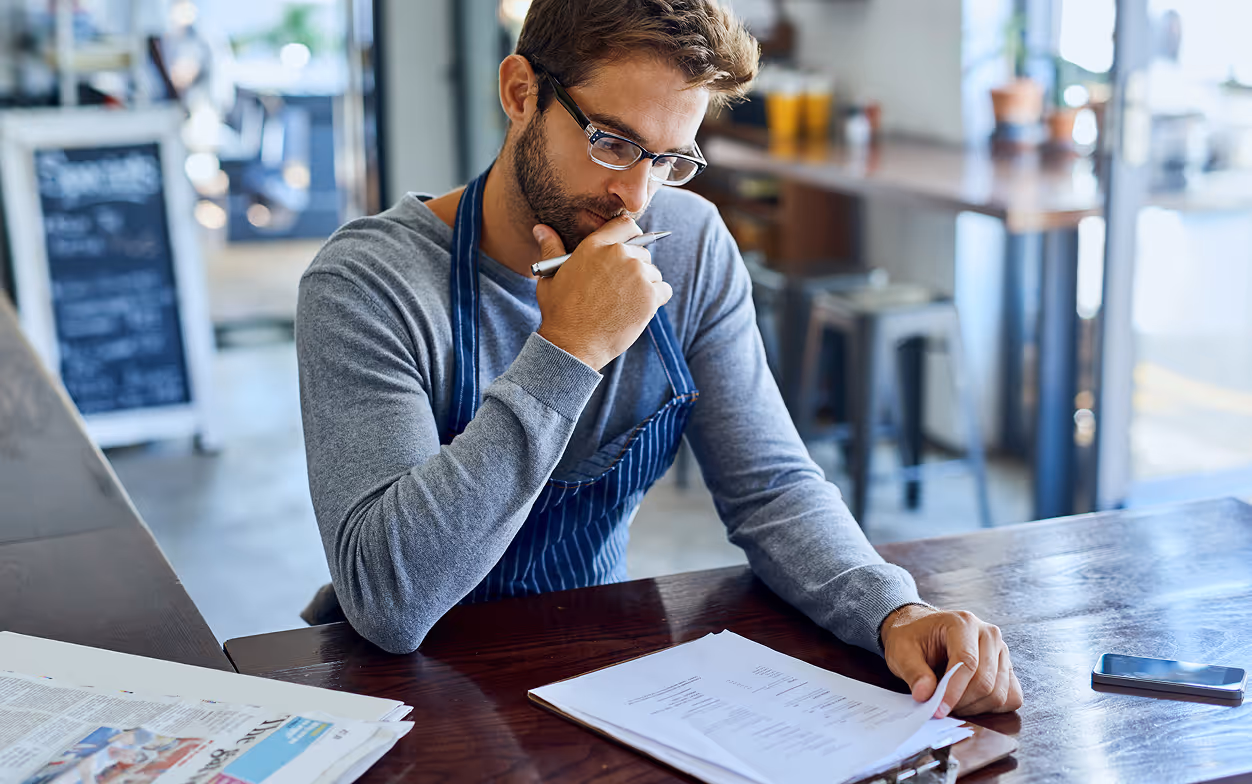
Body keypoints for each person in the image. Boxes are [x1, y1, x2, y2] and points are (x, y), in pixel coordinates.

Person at [296, 0, 1022, 719]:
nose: (635, 196)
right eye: (612, 142)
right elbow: (389, 602)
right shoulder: (367, 285)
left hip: (599, 674)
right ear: (521, 93)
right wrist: (569, 348)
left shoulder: (692, 242)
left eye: (671, 160)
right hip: (410, 698)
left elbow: (770, 488)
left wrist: (892, 609)